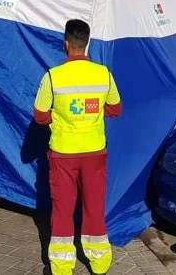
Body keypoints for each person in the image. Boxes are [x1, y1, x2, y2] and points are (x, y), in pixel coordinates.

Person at [33, 19, 122, 275]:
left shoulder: (53, 76)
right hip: (95, 152)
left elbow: (40, 116)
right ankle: (100, 262)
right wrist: (90, 113)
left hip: (63, 154)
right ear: (88, 44)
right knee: (94, 207)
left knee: (62, 210)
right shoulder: (103, 74)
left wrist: (61, 117)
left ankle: (61, 267)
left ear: (65, 44)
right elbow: (116, 109)